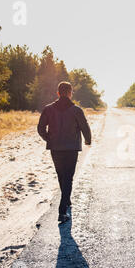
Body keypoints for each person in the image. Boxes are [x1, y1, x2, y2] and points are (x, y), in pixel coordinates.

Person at [37, 82, 92, 224]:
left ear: (58, 93)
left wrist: (48, 139)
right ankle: (62, 211)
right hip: (71, 148)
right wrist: (88, 140)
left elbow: (40, 128)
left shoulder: (48, 109)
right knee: (68, 177)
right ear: (70, 93)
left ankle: (66, 200)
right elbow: (84, 126)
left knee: (61, 176)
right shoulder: (76, 110)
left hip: (55, 148)